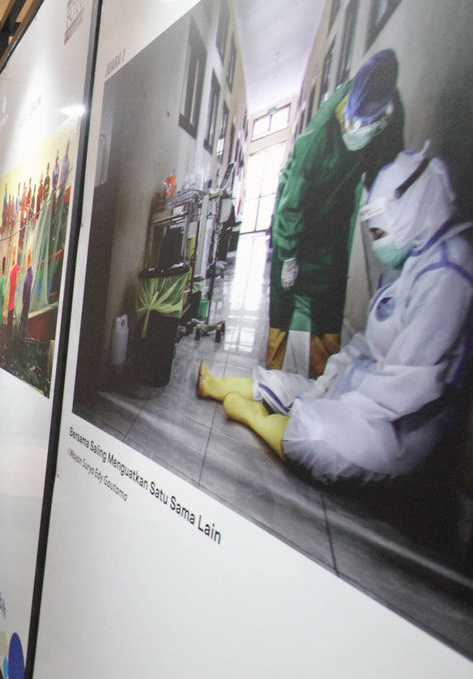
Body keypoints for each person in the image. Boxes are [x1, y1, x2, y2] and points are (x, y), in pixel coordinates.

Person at [199, 148, 473, 484]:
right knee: (297, 386)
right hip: (360, 389)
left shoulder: (447, 275)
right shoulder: (404, 268)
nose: (378, 245)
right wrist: (327, 386)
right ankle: (217, 385)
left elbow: (403, 389)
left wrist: (331, 406)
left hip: (393, 426)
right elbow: (363, 347)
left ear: (411, 213)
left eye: (380, 234)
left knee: (315, 436)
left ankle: (254, 416)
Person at [267, 49, 405, 378]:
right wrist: (288, 254)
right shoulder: (318, 135)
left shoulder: (389, 114)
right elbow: (292, 199)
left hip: (337, 218)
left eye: (364, 124)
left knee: (329, 301)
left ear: (383, 116)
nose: (353, 129)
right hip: (297, 215)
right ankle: (271, 372)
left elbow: (387, 172)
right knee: (284, 299)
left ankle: (321, 379)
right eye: (351, 121)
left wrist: (388, 220)